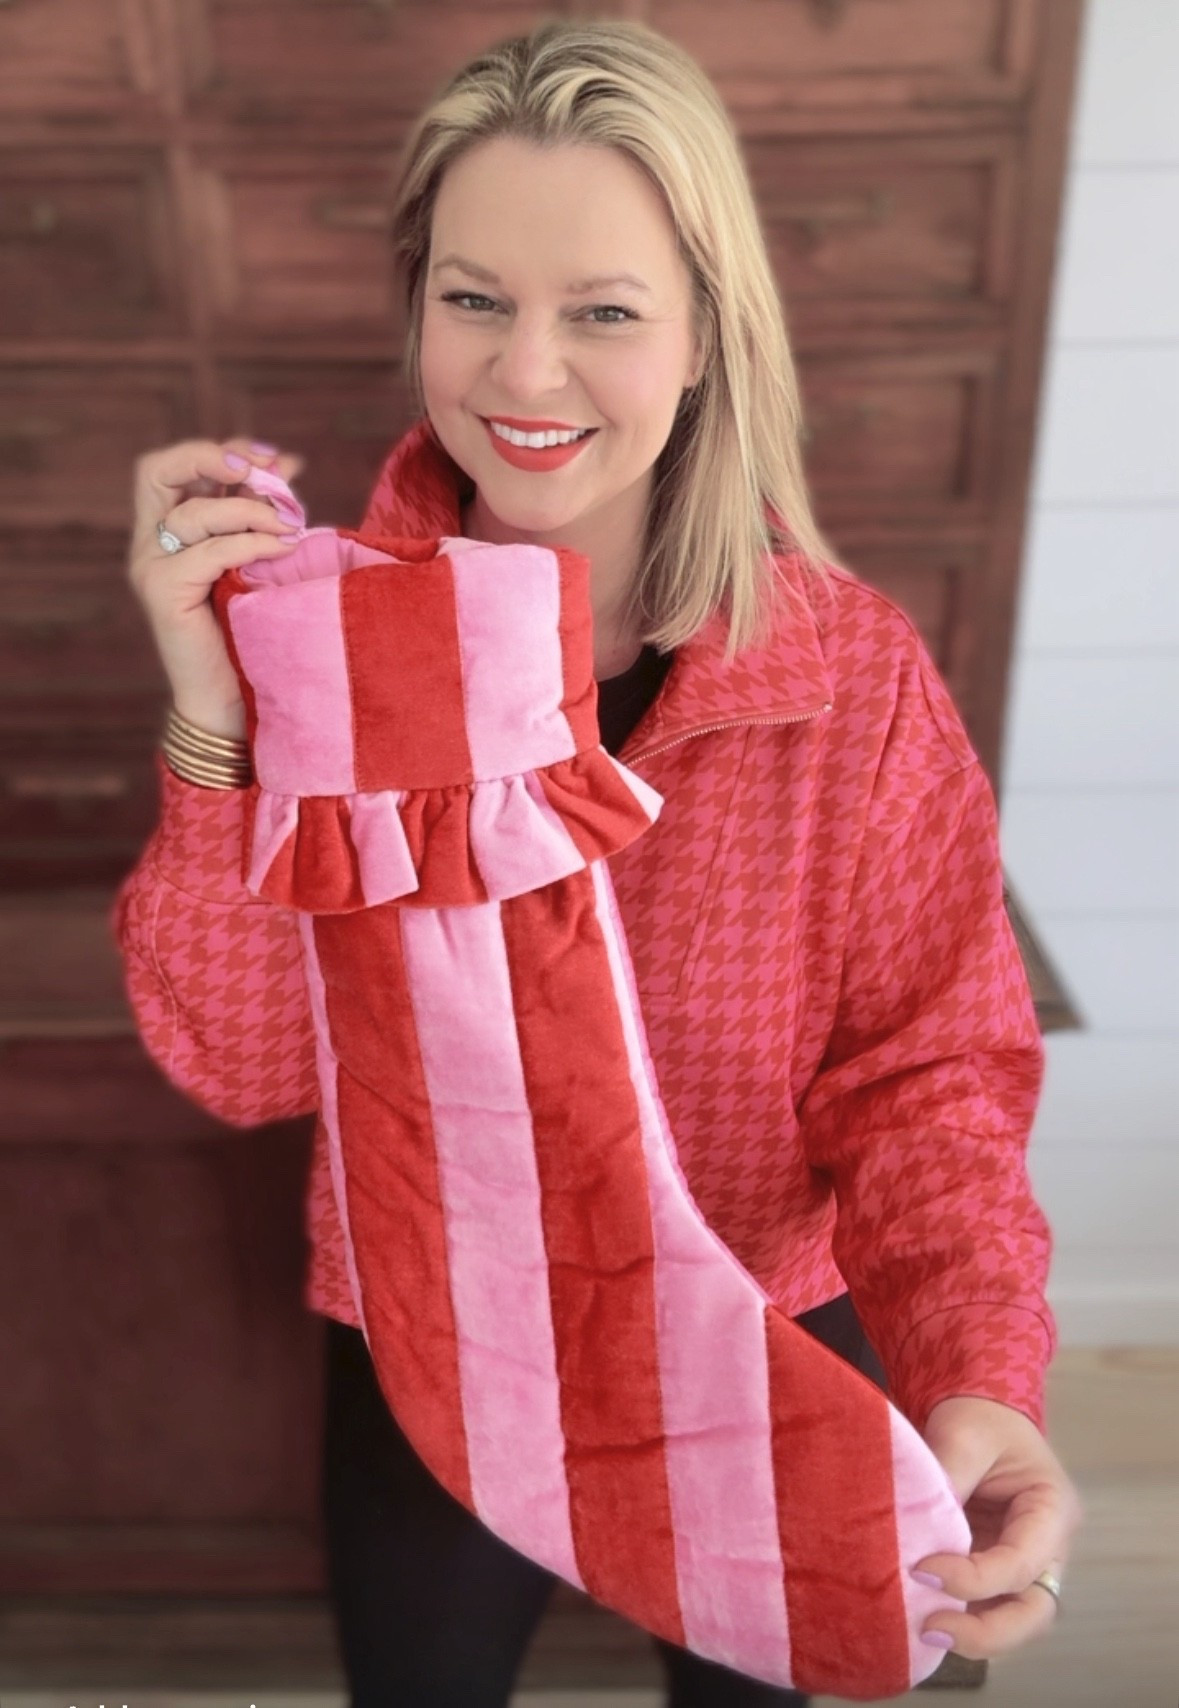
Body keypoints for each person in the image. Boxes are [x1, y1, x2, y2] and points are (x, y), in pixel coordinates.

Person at [114, 18, 1081, 1707]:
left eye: (606, 313)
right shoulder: (318, 646)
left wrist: (979, 1381)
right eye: (475, 299)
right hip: (438, 1341)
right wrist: (217, 717)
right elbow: (246, 1065)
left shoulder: (847, 678)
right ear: (418, 307)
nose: (527, 375)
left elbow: (929, 1084)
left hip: (764, 1335)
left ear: (709, 337)